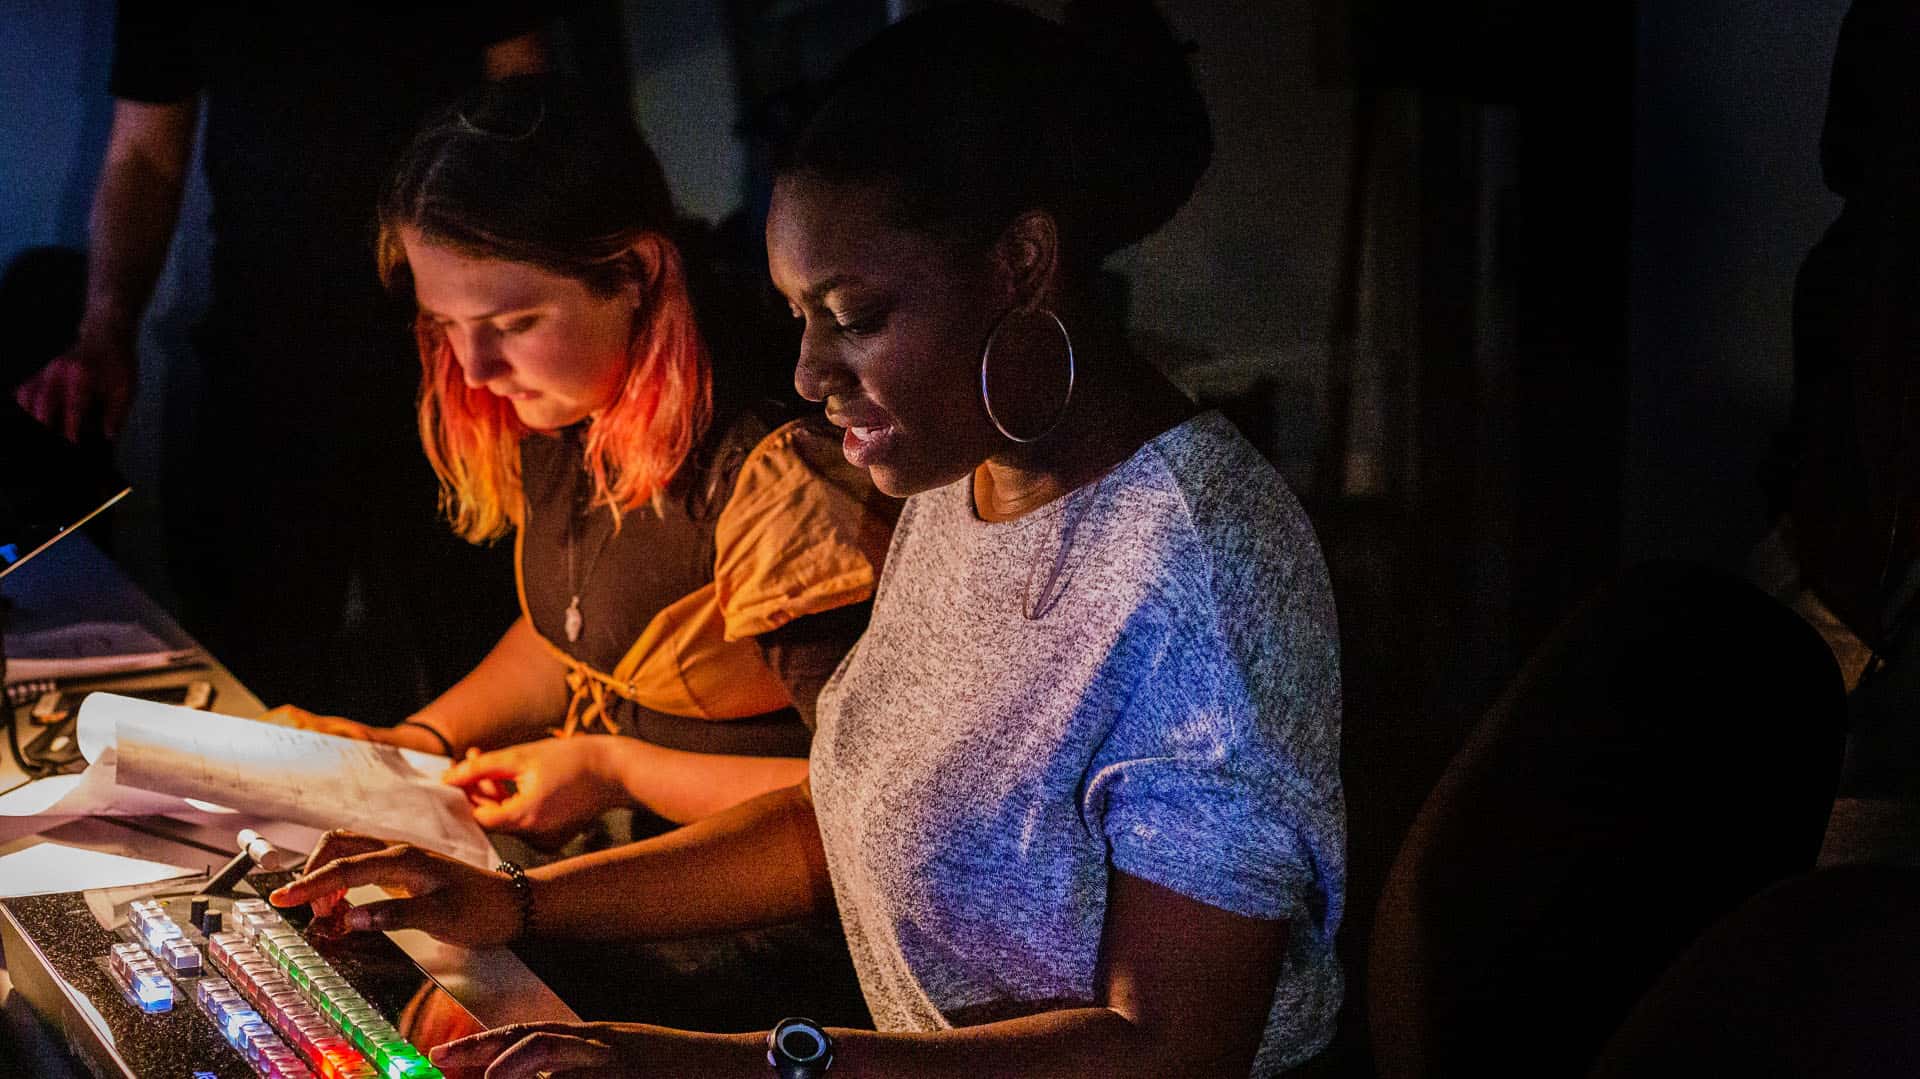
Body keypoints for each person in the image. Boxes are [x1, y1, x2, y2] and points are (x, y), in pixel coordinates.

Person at [270, 4, 1345, 1076]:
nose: (807, 376)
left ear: (1020, 263)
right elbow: (833, 814)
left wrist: (712, 1062)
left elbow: (1168, 1050)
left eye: (856, 316)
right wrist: (516, 904)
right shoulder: (963, 471)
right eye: (799, 316)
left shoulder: (1201, 564)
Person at [268, 76, 894, 851]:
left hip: (766, 928)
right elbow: (579, 637)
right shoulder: (568, 402)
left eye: (516, 320)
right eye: (447, 325)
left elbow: (880, 797)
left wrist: (618, 770)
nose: (475, 368)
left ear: (634, 274)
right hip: (629, 879)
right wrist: (416, 741)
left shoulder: (773, 474)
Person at [15, 3, 552, 720]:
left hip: (455, 357)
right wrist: (104, 329)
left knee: (485, 650)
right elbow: (143, 151)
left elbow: (526, 94)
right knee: (257, 668)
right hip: (266, 360)